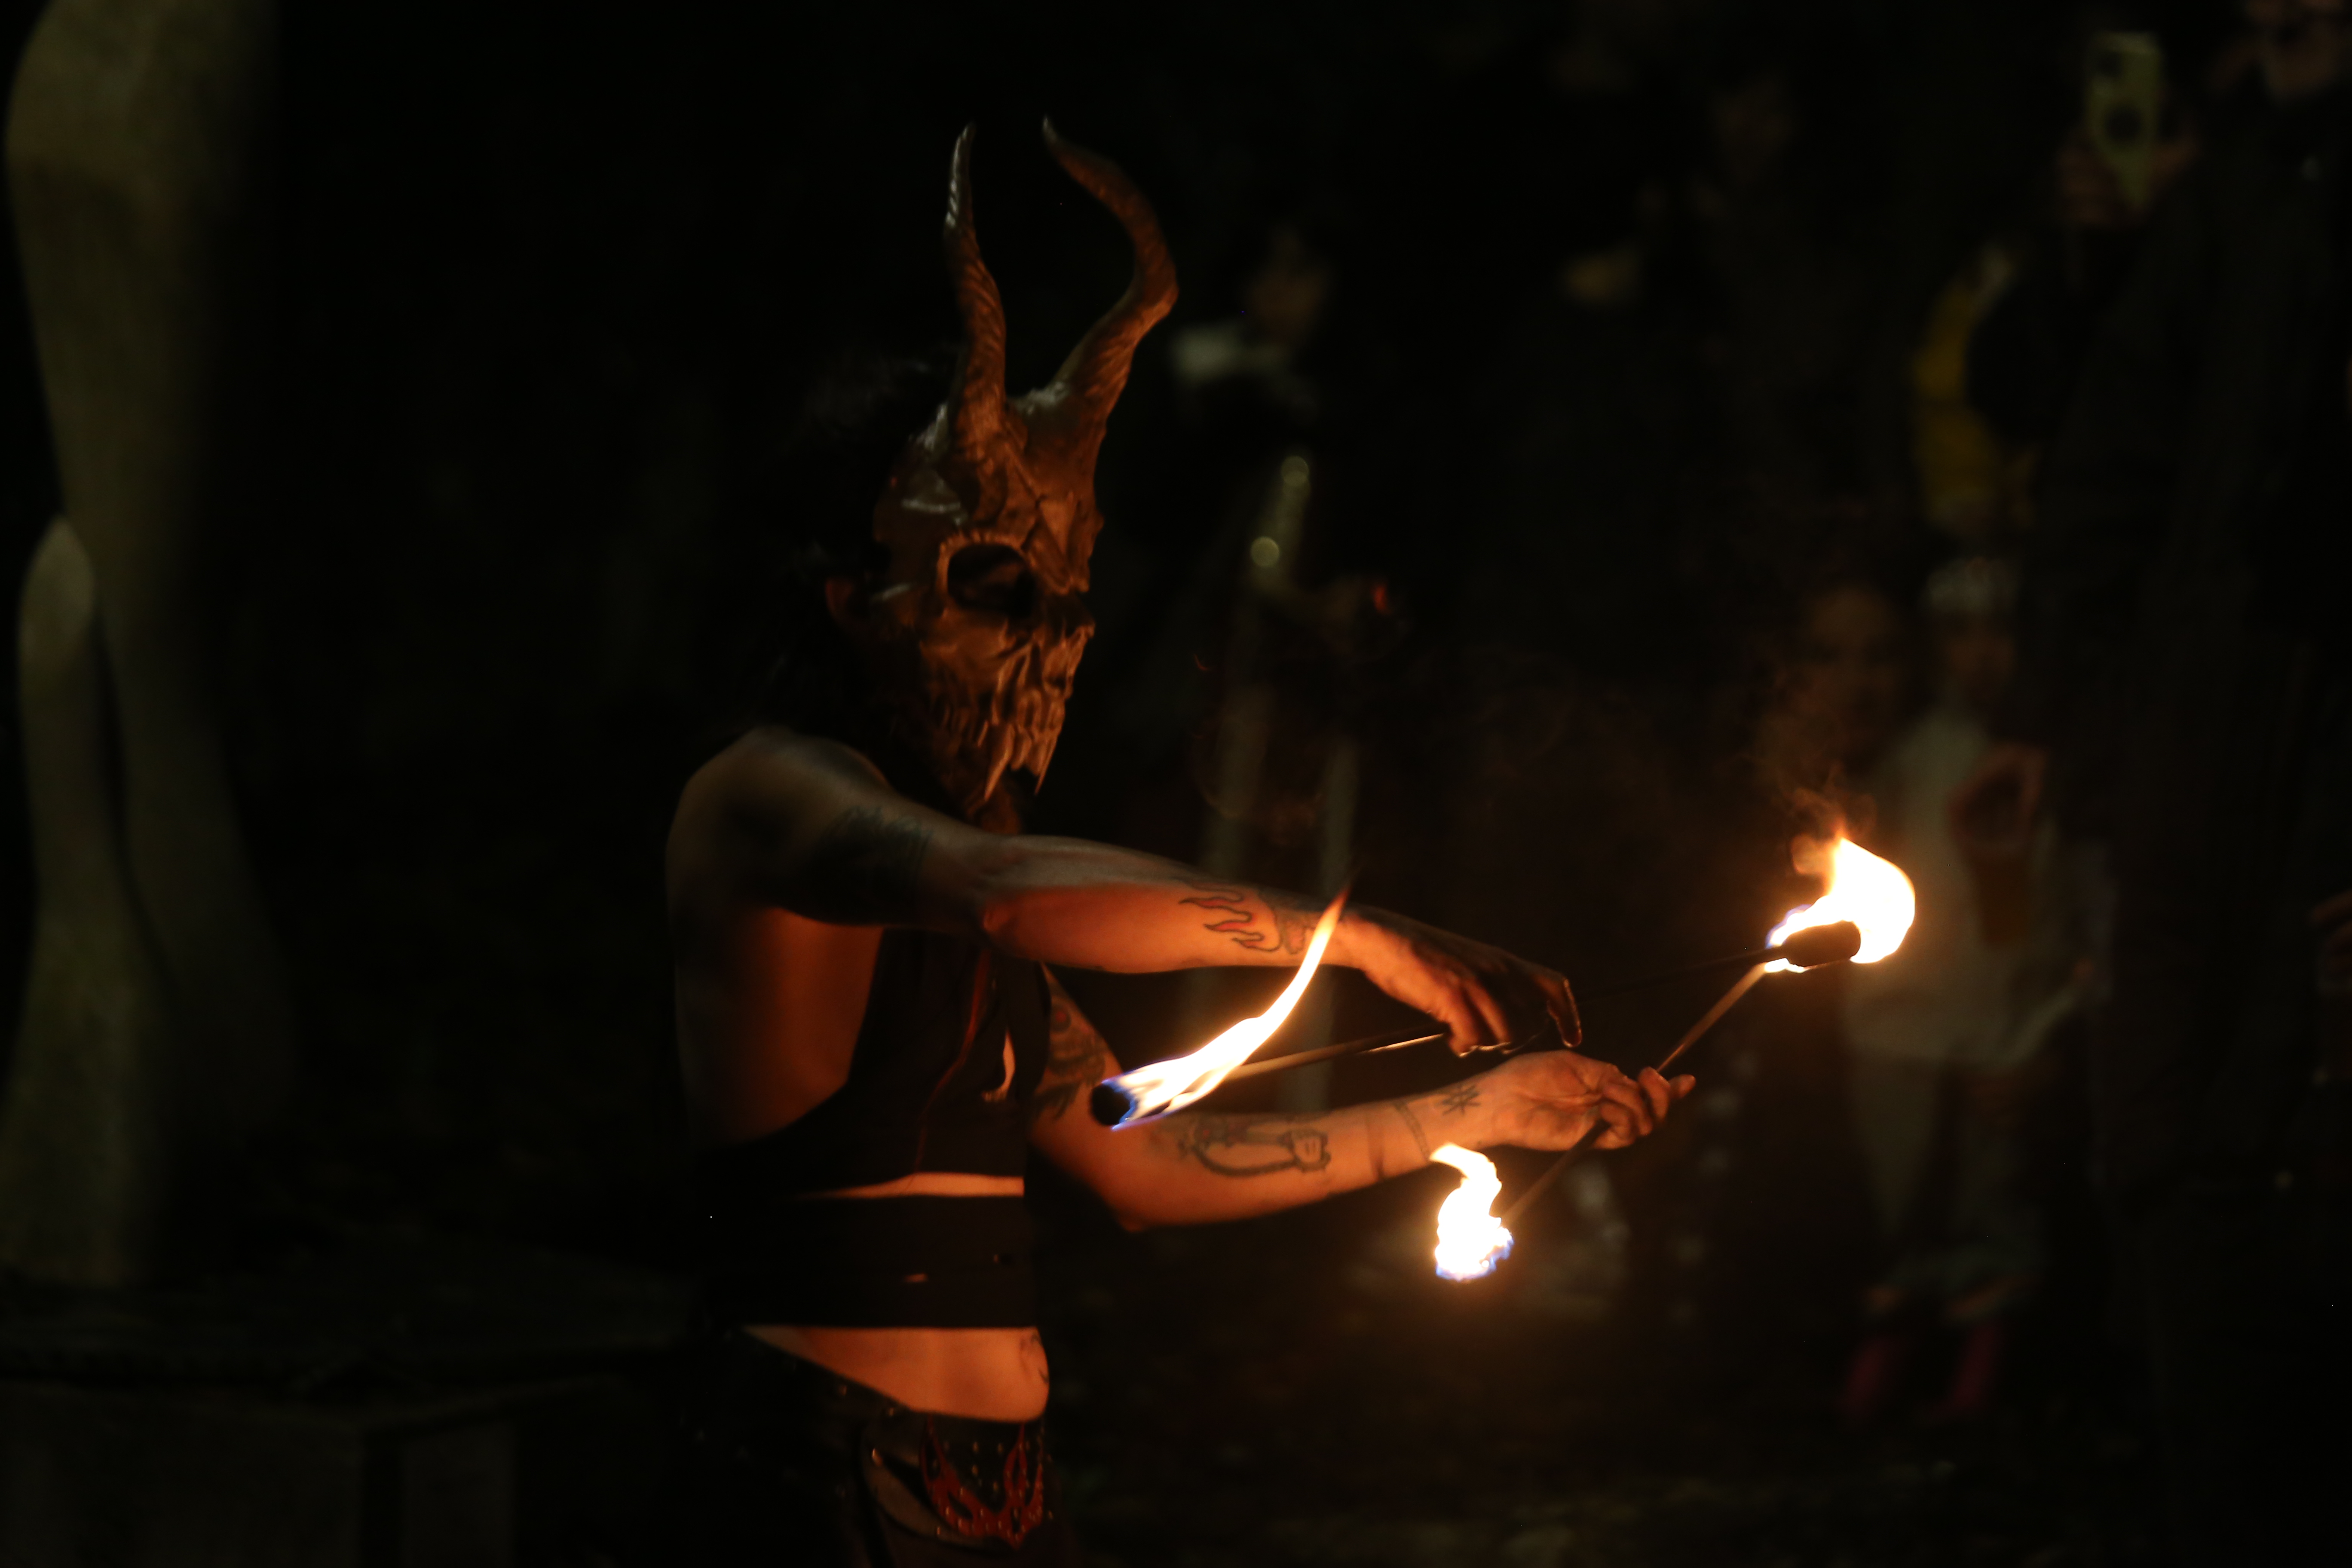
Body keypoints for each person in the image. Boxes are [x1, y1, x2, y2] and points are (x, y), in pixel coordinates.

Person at [655, 123, 1691, 1567]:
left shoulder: (966, 859)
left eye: (1063, 590)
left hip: (993, 1489)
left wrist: (1475, 1112)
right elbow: (1000, 893)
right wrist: (1355, 934)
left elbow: (1156, 1159)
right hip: (813, 1469)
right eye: (988, 583)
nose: (1048, 634)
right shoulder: (767, 799)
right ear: (848, 595)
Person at [1952, 1, 2352, 1557]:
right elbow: (2094, 428)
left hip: (2315, 741)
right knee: (2168, 1128)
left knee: (2302, 1132)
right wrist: (2045, 713)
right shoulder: (2238, 188)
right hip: (2200, 720)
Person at [1835, 559, 2088, 1426]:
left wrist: (2053, 1034)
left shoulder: (2054, 762)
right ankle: (1878, 1379)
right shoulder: (1911, 756)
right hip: (1898, 1035)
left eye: (2003, 630)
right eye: (1960, 632)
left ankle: (1979, 1389)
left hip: (2005, 1031)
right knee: (1901, 1204)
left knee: (1996, 1206)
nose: (1983, 655)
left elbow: (2075, 910)